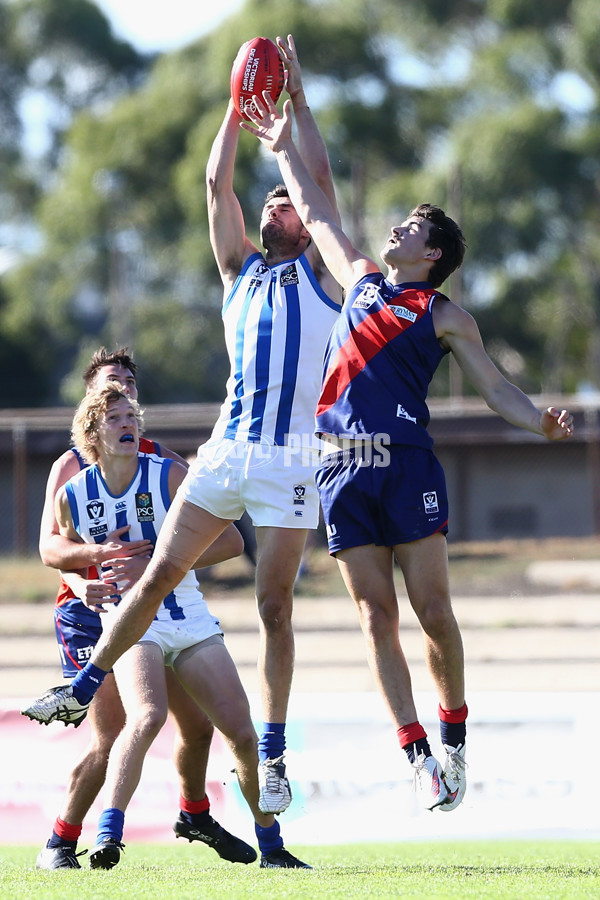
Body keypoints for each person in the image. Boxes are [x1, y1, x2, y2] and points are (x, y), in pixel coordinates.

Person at [20, 34, 342, 821]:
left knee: (273, 608)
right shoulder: (239, 273)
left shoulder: (324, 272)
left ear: (302, 222)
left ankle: (271, 752)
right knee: (162, 571)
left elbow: (322, 183)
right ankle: (86, 684)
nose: (273, 202)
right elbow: (211, 180)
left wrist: (296, 109)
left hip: (291, 457)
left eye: (283, 200)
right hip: (227, 450)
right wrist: (236, 109)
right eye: (265, 198)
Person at [236, 92, 575, 812]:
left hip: (406, 464)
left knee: (432, 610)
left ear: (433, 255)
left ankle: (454, 738)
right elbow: (316, 204)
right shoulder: (359, 279)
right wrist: (284, 131)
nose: (396, 227)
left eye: (413, 227)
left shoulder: (443, 314)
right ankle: (419, 756)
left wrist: (537, 423)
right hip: (340, 467)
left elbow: (496, 389)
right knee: (373, 616)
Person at [56, 385, 310, 869]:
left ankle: (272, 849)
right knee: (147, 716)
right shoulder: (74, 496)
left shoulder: (170, 474)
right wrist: (79, 580)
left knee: (240, 733)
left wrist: (158, 561)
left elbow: (232, 541)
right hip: (132, 624)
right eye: (115, 418)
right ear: (93, 431)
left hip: (187, 616)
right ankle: (109, 836)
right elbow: (62, 552)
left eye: (132, 415)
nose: (128, 423)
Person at [35, 347, 253, 869]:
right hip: (91, 609)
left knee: (197, 726)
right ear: (90, 397)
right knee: (116, 733)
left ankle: (194, 812)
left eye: (130, 385)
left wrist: (156, 565)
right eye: (112, 384)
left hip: (158, 606)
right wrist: (87, 569)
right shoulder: (70, 466)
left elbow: (210, 536)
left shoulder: (161, 461)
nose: (124, 392)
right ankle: (61, 842)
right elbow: (51, 547)